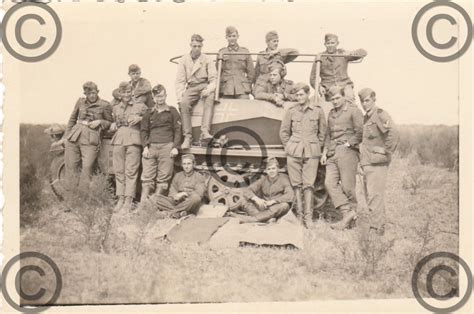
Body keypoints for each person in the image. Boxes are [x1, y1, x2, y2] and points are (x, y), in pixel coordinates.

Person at [279, 83, 327, 228]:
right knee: (296, 185)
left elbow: (322, 133)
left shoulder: (317, 111)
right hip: (294, 152)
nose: (299, 97)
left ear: (307, 94)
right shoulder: (291, 111)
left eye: (301, 94)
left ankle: (308, 218)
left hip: (311, 152)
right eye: (297, 95)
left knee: (309, 185)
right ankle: (299, 216)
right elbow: (284, 132)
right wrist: (289, 146)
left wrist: (315, 146)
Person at [320, 85, 364, 230]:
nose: (335, 101)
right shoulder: (331, 113)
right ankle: (348, 213)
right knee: (329, 183)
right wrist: (324, 152)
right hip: (332, 152)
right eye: (332, 99)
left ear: (344, 97)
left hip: (348, 152)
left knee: (348, 187)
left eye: (338, 98)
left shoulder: (354, 111)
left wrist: (348, 143)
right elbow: (328, 135)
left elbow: (361, 132)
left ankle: (351, 221)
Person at [358, 88, 399, 236]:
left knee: (375, 195)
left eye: (367, 100)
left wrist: (386, 151)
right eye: (362, 101)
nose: (364, 104)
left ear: (374, 99)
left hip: (378, 163)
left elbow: (393, 133)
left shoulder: (380, 114)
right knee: (371, 196)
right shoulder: (366, 118)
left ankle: (375, 228)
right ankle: (379, 226)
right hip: (368, 162)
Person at [110, 82, 149, 213]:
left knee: (131, 172)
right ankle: (120, 199)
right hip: (118, 140)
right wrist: (112, 125)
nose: (126, 95)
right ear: (119, 94)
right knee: (119, 172)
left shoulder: (141, 106)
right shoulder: (116, 108)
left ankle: (128, 201)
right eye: (123, 92)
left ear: (132, 92)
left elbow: (151, 119)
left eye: (128, 92)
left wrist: (140, 118)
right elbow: (114, 121)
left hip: (133, 140)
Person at [65, 81, 113, 185]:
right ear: (85, 94)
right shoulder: (80, 102)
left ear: (97, 92)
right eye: (88, 94)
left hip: (91, 140)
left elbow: (110, 122)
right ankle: (71, 196)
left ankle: (84, 197)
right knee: (71, 168)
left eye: (93, 93)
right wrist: (66, 137)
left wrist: (100, 122)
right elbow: (72, 119)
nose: (91, 96)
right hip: (74, 137)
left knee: (87, 169)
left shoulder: (105, 105)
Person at [140, 84, 182, 200]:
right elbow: (143, 131)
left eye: (162, 96)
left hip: (167, 147)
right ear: (153, 97)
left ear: (166, 96)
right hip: (151, 148)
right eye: (157, 97)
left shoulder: (172, 111)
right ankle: (143, 205)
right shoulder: (149, 113)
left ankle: (154, 205)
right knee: (147, 177)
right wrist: (145, 147)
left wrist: (175, 147)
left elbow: (178, 130)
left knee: (163, 178)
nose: (160, 99)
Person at [175, 34, 217, 149]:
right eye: (194, 46)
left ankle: (205, 131)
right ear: (190, 45)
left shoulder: (207, 59)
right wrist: (180, 96)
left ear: (202, 46)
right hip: (192, 86)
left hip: (204, 85)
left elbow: (214, 79)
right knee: (184, 104)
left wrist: (208, 89)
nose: (197, 48)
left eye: (199, 46)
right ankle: (188, 137)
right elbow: (180, 80)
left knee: (210, 99)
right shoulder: (184, 60)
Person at [229, 157, 294, 223]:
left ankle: (253, 219)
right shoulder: (263, 179)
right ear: (266, 171)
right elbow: (247, 190)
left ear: (278, 169)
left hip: (275, 207)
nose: (271, 171)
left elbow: (290, 195)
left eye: (273, 168)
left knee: (285, 205)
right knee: (243, 199)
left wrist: (274, 201)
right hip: (263, 207)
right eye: (269, 169)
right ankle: (266, 219)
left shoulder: (284, 178)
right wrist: (256, 199)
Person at [309, 33, 367, 103]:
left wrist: (351, 53)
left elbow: (363, 52)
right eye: (328, 43)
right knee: (329, 107)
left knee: (350, 97)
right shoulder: (320, 57)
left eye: (332, 43)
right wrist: (319, 87)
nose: (330, 45)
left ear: (337, 43)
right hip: (329, 88)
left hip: (344, 86)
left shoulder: (343, 54)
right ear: (325, 44)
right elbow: (313, 78)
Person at [218, 26, 255, 99]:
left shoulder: (244, 51)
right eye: (230, 36)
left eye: (234, 36)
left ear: (238, 36)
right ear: (226, 37)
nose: (232, 38)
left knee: (244, 104)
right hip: (226, 89)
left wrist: (247, 85)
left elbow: (251, 72)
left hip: (242, 88)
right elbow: (218, 71)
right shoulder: (222, 52)